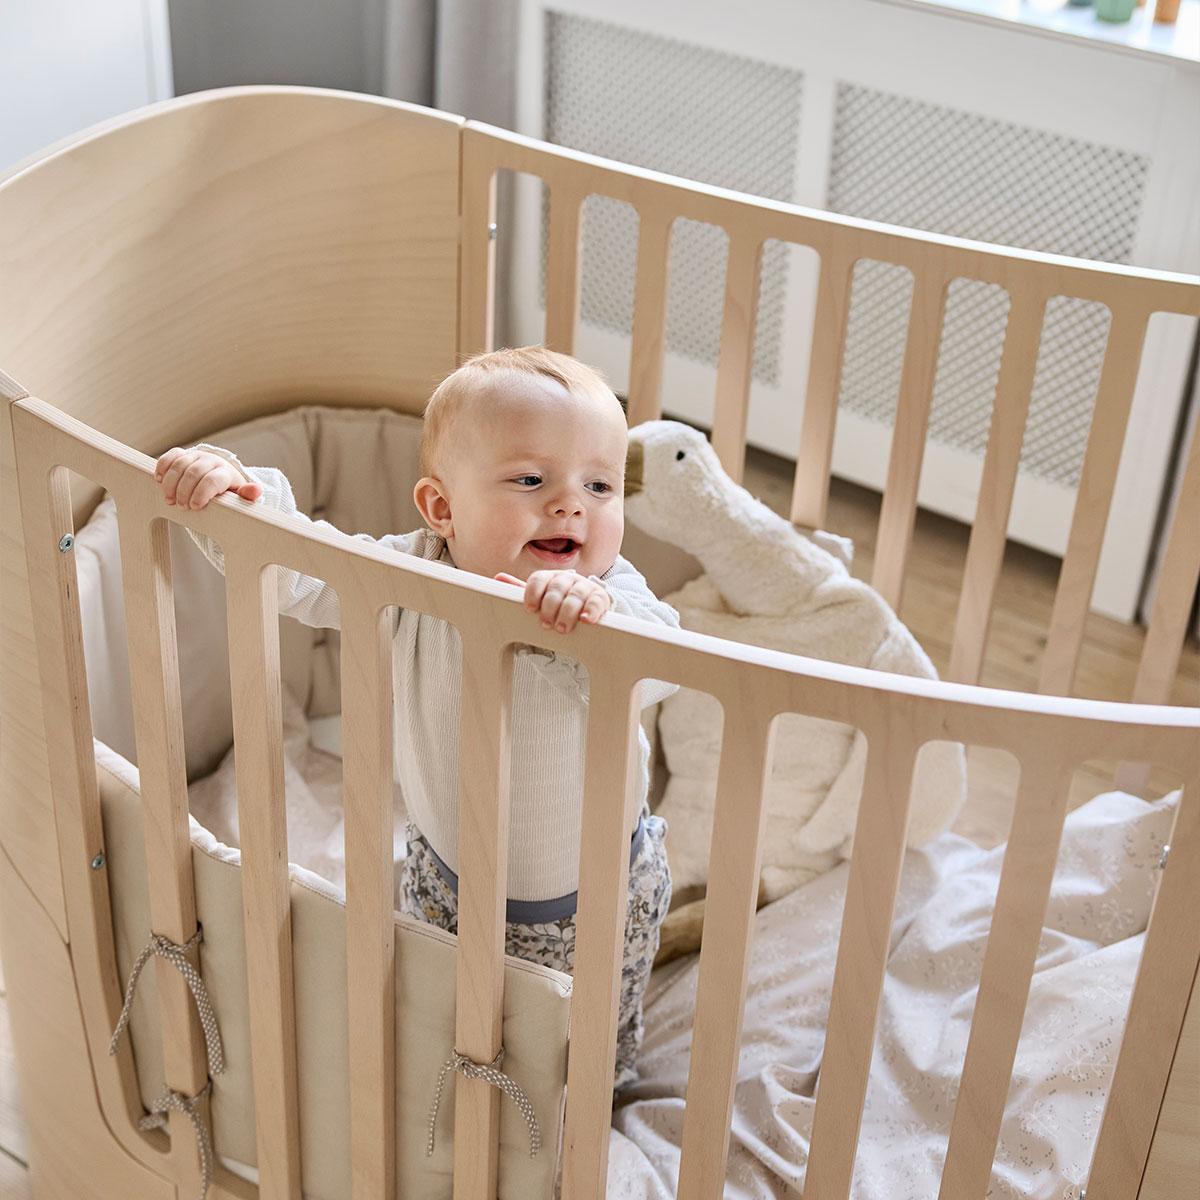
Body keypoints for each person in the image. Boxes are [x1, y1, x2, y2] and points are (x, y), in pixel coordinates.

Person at [154, 346, 678, 1086]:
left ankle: (592, 1107)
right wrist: (238, 494)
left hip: (599, 898)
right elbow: (300, 567)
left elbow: (660, 662)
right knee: (449, 1023)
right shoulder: (410, 579)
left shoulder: (611, 594)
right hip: (447, 881)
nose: (570, 505)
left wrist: (597, 621)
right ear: (441, 510)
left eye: (599, 485)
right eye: (531, 479)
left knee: (590, 1040)